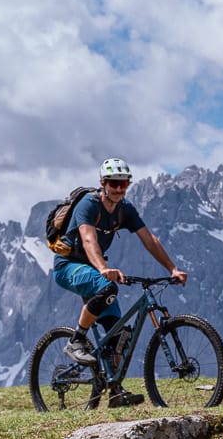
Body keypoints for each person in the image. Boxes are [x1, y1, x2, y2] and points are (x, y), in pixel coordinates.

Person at [48, 159, 187, 393]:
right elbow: (88, 239)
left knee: (118, 335)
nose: (119, 189)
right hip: (69, 266)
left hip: (95, 270)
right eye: (114, 184)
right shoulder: (88, 204)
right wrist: (103, 268)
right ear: (103, 183)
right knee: (107, 286)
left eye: (123, 184)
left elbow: (150, 240)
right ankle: (77, 341)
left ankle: (115, 392)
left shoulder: (126, 210)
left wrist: (172, 268)